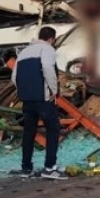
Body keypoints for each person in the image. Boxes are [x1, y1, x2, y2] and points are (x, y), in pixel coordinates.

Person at [11, 26, 66, 180]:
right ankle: (49, 168)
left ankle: (26, 168)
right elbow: (48, 68)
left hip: (27, 100)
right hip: (43, 99)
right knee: (53, 129)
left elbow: (14, 77)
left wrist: (25, 90)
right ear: (52, 39)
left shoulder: (23, 53)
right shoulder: (47, 49)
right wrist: (53, 89)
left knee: (29, 132)